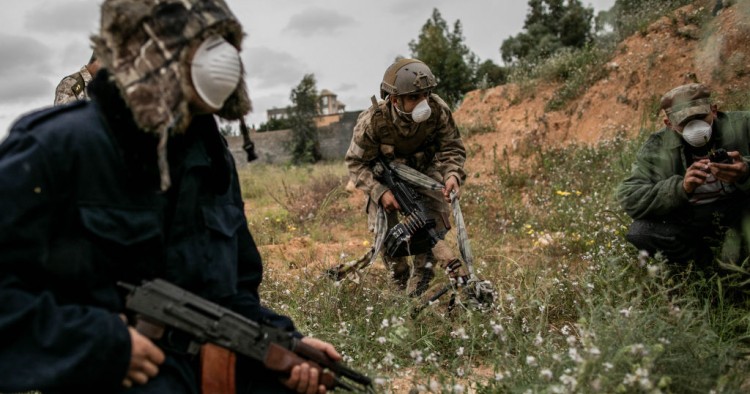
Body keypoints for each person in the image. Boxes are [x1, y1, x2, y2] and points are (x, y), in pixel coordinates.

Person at [0, 0, 341, 393]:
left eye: (221, 40)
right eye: (197, 40)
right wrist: (96, 344)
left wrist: (281, 342)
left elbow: (229, 296)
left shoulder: (211, 157)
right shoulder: (59, 146)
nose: (221, 56)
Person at [345, 58, 467, 297]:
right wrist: (381, 193)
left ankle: (418, 292)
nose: (423, 103)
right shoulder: (373, 121)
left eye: (426, 95)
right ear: (394, 99)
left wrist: (452, 174)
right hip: (384, 181)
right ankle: (399, 287)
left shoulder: (438, 110)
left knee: (431, 230)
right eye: (414, 98)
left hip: (424, 174)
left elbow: (452, 147)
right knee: (392, 243)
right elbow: (356, 163)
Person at [617, 82, 750, 268]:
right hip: (693, 218)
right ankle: (705, 268)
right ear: (669, 124)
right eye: (684, 122)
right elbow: (629, 196)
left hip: (742, 209)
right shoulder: (657, 147)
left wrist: (745, 171)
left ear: (714, 110)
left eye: (701, 117)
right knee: (641, 232)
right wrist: (680, 188)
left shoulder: (743, 125)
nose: (695, 127)